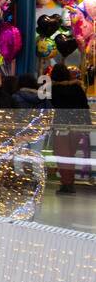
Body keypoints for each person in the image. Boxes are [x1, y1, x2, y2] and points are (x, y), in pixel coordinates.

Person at [51, 65, 90, 195]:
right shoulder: (77, 88)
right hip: (77, 127)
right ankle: (69, 182)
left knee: (63, 155)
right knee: (70, 155)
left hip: (61, 127)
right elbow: (85, 107)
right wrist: (86, 125)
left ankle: (67, 183)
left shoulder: (54, 90)